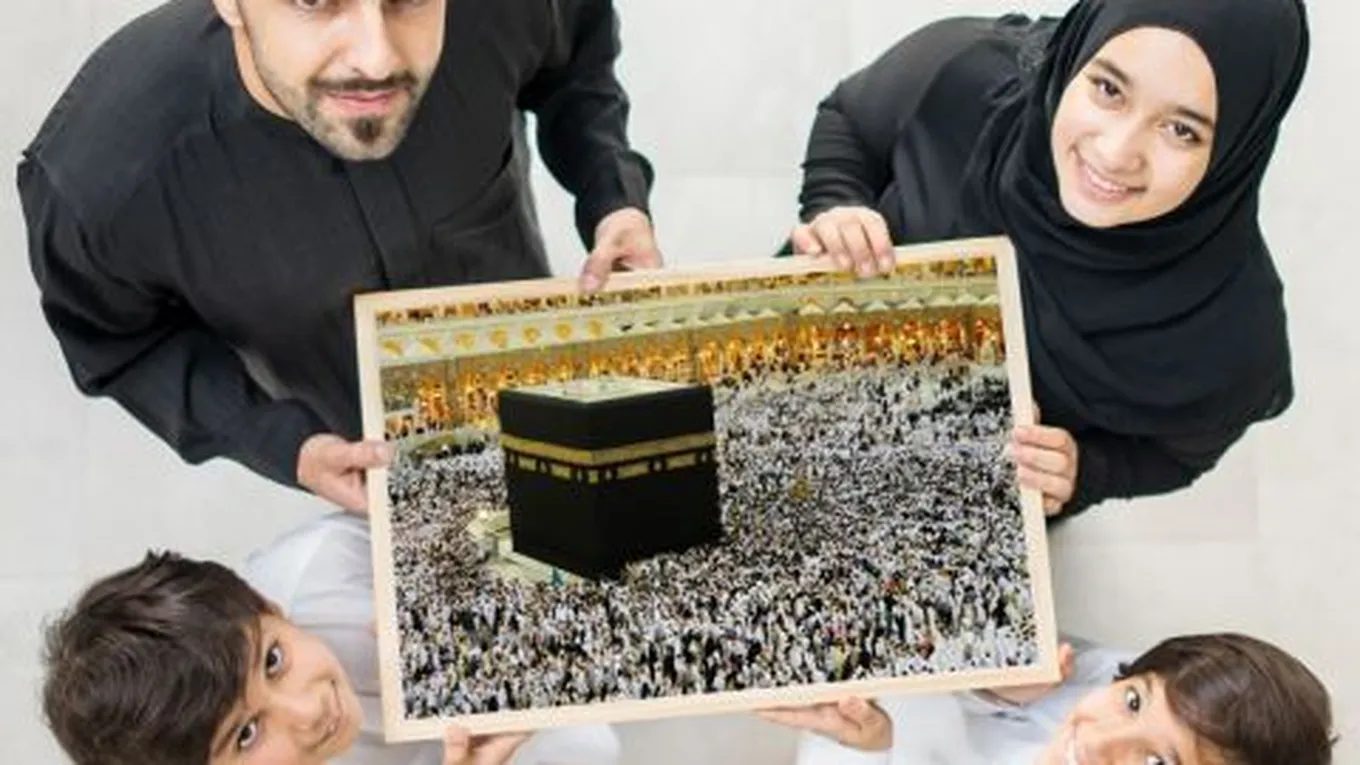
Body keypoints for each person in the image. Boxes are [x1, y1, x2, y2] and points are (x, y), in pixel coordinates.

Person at [17, 0, 661, 514]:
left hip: (538, 361)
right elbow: (118, 344)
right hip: (359, 436)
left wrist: (612, 195)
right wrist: (285, 444)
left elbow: (574, 63)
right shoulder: (98, 179)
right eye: (314, 1)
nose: (376, 58)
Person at [782, 0, 1310, 519]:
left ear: (1238, 148)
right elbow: (849, 120)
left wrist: (1086, 472)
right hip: (794, 362)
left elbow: (1179, 455)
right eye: (1108, 88)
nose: (1115, 153)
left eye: (1182, 130)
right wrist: (838, 204)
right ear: (1078, 53)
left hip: (956, 506)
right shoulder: (967, 74)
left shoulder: (1232, 335)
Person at [39, 511, 622, 765]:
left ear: (268, 606)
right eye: (245, 734)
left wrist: (480, 597)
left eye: (273, 660)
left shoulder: (328, 569)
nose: (309, 709)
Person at [761, 633, 1337, 764]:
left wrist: (879, 749)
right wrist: (995, 687)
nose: (1098, 740)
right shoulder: (1099, 677)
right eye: (1133, 704)